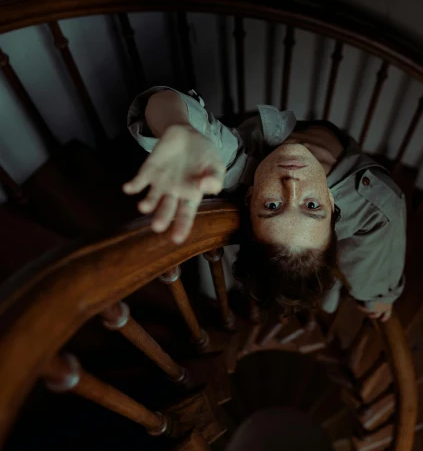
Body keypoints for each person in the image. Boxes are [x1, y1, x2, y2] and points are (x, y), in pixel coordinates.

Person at [123, 87, 406, 320]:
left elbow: (159, 102)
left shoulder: (235, 167)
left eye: (272, 206)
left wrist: (180, 127)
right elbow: (379, 244)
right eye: (311, 206)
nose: (292, 185)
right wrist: (378, 294)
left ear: (249, 197)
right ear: (331, 203)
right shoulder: (374, 205)